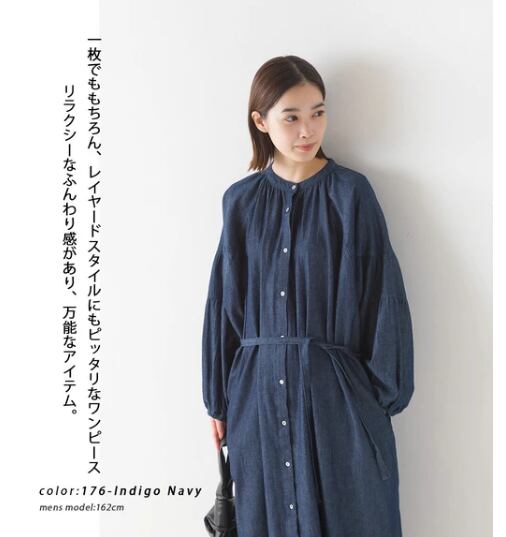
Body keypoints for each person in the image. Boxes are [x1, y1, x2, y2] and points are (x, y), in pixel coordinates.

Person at [201, 55, 414, 537]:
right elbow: (223, 304)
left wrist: (374, 399)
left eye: (318, 112)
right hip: (256, 401)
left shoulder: (350, 195)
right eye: (291, 117)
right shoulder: (240, 202)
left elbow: (384, 294)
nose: (307, 129)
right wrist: (217, 400)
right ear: (261, 121)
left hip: (338, 401)